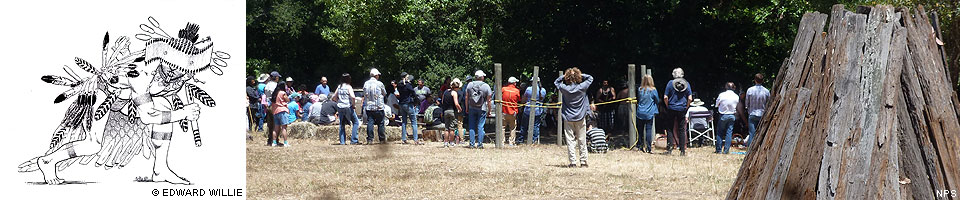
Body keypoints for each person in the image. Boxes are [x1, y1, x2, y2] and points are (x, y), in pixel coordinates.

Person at [555, 67, 593, 167]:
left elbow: (556, 82)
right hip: (580, 117)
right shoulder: (582, 87)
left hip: (568, 117)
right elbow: (590, 78)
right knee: (582, 140)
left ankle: (572, 162)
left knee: (570, 140)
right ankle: (584, 161)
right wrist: (579, 75)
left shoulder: (565, 89)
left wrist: (565, 76)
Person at [663, 67, 692, 156]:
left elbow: (665, 97)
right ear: (682, 74)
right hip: (682, 109)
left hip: (671, 108)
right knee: (682, 129)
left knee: (670, 129)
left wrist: (668, 105)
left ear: (673, 75)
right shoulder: (686, 84)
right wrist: (686, 107)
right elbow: (690, 98)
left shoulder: (670, 83)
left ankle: (669, 149)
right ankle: (682, 150)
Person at [331, 73, 361, 145]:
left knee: (342, 124)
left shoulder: (339, 87)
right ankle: (354, 140)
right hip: (348, 106)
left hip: (340, 107)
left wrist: (338, 101)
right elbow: (353, 97)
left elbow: (333, 97)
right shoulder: (348, 87)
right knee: (356, 122)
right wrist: (353, 105)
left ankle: (342, 141)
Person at [517, 78, 546, 144]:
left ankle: (521, 140)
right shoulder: (543, 90)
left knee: (524, 126)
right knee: (536, 126)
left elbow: (524, 99)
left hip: (528, 110)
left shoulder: (529, 89)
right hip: (538, 110)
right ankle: (534, 140)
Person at [744, 73, 770, 148]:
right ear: (763, 81)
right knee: (761, 133)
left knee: (752, 133)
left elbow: (746, 103)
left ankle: (750, 150)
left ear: (755, 80)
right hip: (762, 114)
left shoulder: (750, 90)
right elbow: (768, 103)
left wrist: (748, 108)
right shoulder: (766, 91)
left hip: (752, 113)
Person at [364, 68, 388, 144]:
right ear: (376, 75)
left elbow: (364, 93)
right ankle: (382, 139)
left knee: (370, 122)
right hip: (378, 107)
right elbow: (384, 93)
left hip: (369, 106)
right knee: (380, 123)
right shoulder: (379, 84)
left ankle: (370, 139)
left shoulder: (366, 83)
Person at [635, 75, 659, 153]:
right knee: (648, 130)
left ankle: (639, 146)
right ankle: (649, 148)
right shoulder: (653, 90)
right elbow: (657, 100)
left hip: (640, 112)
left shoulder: (640, 89)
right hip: (649, 113)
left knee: (640, 130)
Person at [397, 72, 421, 144]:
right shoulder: (408, 85)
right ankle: (415, 139)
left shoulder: (399, 85)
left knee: (404, 122)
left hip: (401, 104)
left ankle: (404, 138)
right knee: (414, 121)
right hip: (408, 104)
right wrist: (416, 100)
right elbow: (413, 93)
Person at [715, 82, 739, 154]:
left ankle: (719, 150)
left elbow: (716, 104)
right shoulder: (736, 96)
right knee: (729, 133)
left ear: (726, 87)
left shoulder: (722, 95)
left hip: (723, 115)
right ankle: (726, 150)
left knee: (720, 132)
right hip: (732, 115)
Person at [442, 78, 463, 147]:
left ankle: (445, 142)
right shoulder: (454, 93)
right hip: (452, 111)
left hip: (445, 111)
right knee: (452, 128)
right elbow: (456, 103)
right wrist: (460, 109)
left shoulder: (445, 92)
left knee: (446, 128)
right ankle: (451, 142)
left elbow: (442, 101)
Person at [501, 77, 522, 145]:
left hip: (503, 111)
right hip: (513, 112)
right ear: (514, 83)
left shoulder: (503, 89)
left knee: (502, 127)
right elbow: (519, 99)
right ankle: (511, 142)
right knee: (512, 128)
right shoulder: (516, 91)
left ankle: (502, 142)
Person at [271, 82, 291, 147]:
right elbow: (287, 100)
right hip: (282, 110)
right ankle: (285, 142)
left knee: (276, 128)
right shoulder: (282, 93)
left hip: (275, 111)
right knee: (284, 128)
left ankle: (274, 142)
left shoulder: (275, 93)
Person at [264, 71, 281, 146]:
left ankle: (269, 139)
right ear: (276, 77)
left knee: (270, 124)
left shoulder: (267, 85)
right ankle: (275, 140)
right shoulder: (276, 85)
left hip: (268, 105)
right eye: (278, 77)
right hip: (274, 105)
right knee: (276, 124)